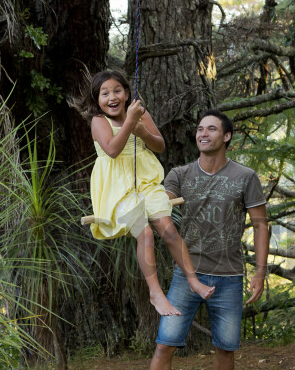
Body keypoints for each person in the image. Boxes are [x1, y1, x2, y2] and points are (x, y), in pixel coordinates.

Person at [121, 109, 270, 370]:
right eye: (200, 129)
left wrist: (259, 273)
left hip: (229, 276)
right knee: (164, 344)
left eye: (212, 129)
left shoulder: (245, 176)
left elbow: (260, 225)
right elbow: (153, 202)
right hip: (185, 277)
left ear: (226, 136)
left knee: (226, 346)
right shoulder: (180, 174)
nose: (203, 134)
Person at [80, 70, 215, 316]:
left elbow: (159, 146)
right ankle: (155, 293)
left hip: (146, 182)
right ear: (97, 99)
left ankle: (193, 280)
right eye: (105, 93)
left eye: (117, 91)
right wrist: (130, 123)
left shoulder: (140, 114)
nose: (112, 97)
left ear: (127, 93)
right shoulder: (99, 121)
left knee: (168, 229)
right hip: (117, 189)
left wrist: (142, 131)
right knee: (145, 234)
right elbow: (111, 149)